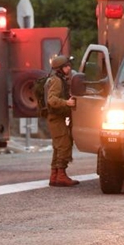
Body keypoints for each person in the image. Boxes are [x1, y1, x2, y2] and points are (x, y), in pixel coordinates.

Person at [45, 55, 79, 187]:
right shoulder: (57, 81)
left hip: (57, 118)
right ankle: (61, 175)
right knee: (64, 145)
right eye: (66, 66)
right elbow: (51, 100)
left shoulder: (60, 79)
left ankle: (54, 176)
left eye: (68, 65)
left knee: (58, 147)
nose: (69, 68)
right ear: (59, 68)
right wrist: (67, 103)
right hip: (56, 118)